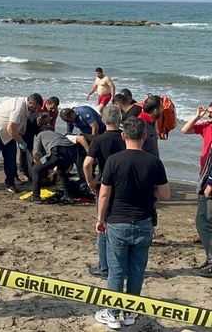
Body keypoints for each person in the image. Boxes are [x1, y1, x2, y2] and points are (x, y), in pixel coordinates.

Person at [94, 117, 170, 329]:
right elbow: (165, 195)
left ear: (123, 135)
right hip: (144, 222)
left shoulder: (114, 160)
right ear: (145, 137)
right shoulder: (154, 162)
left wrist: (100, 219)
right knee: (137, 270)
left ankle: (112, 313)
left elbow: (104, 194)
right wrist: (149, 188)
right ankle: (129, 312)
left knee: (116, 270)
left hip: (118, 222)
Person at [83, 106, 126, 279]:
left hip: (104, 184)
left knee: (103, 226)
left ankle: (104, 266)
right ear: (120, 119)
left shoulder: (99, 140)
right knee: (120, 224)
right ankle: (119, 264)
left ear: (102, 120)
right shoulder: (126, 136)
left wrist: (90, 181)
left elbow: (87, 164)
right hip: (124, 184)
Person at [0, 94, 43, 192]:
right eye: (35, 108)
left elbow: (21, 124)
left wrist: (21, 137)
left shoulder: (27, 108)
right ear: (30, 103)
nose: (35, 111)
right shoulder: (18, 106)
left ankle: (10, 184)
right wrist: (21, 142)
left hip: (8, 134)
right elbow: (10, 128)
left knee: (10, 159)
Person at [180, 103, 212, 277]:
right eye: (208, 112)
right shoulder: (207, 126)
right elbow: (184, 130)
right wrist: (197, 116)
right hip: (205, 177)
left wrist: (211, 183)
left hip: (209, 181)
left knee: (204, 221)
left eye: (211, 114)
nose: (209, 116)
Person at [29, 125, 77, 204]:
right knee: (62, 172)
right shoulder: (58, 134)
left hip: (57, 150)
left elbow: (36, 153)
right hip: (72, 151)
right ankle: (68, 196)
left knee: (36, 169)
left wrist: (39, 165)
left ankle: (36, 197)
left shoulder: (40, 134)